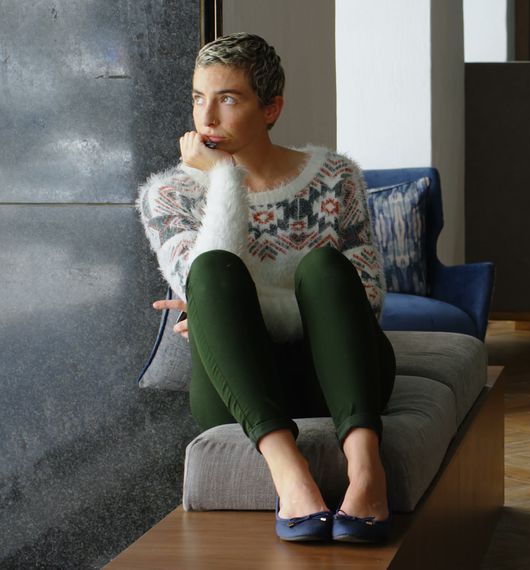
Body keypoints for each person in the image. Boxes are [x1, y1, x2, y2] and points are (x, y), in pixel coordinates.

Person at [137, 32, 395, 544]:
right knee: (212, 270)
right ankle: (289, 474)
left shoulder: (335, 178)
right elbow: (208, 276)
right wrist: (224, 179)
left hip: (340, 372)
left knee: (322, 268)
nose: (206, 118)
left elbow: (365, 298)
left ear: (271, 107)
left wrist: (225, 315)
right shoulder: (168, 196)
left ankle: (366, 469)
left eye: (228, 99)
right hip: (239, 388)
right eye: (197, 98)